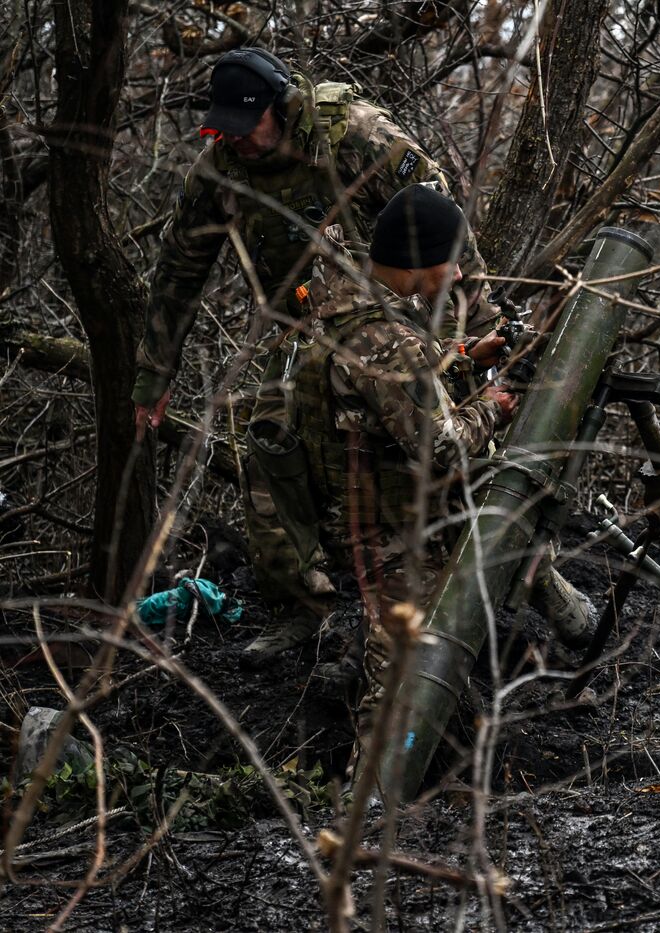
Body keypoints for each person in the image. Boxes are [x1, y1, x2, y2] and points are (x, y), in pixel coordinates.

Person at [131, 47, 489, 661]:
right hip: (301, 330)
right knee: (269, 448)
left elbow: (444, 231)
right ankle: (302, 606)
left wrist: (475, 336)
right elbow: (177, 275)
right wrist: (154, 376)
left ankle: (454, 576)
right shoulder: (220, 173)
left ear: (279, 107)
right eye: (225, 132)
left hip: (392, 321)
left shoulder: (353, 134)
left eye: (247, 129)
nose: (236, 143)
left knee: (424, 440)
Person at [289, 185, 592, 760]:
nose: (455, 275)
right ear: (422, 260)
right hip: (389, 529)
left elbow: (394, 389)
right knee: (401, 667)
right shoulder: (385, 340)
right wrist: (492, 406)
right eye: (450, 262)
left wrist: (462, 355)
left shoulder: (354, 300)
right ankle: (375, 790)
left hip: (387, 508)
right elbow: (443, 445)